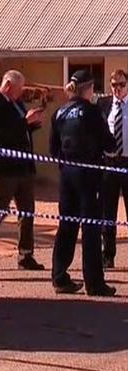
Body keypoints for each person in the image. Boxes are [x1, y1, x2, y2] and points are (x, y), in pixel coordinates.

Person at [50, 70, 116, 296]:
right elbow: (109, 143)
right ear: (89, 88)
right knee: (90, 227)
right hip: (88, 174)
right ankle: (95, 283)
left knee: (66, 225)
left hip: (66, 175)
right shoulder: (91, 111)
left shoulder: (59, 113)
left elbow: (52, 150)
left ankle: (59, 277)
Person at [0, 70, 45, 270]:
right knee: (0, 210)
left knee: (27, 211)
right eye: (18, 89)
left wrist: (32, 124)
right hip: (7, 167)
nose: (20, 94)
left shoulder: (17, 104)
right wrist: (24, 122)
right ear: (8, 85)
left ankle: (25, 254)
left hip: (24, 166)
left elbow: (20, 129)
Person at [98, 69, 128, 269]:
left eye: (122, 85)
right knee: (107, 213)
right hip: (109, 164)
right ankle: (107, 256)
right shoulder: (104, 104)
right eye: (114, 85)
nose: (117, 89)